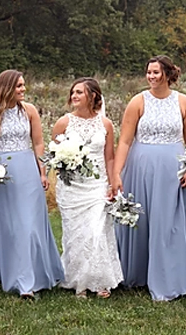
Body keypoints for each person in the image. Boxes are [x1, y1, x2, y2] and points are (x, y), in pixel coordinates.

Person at [112, 55, 186, 301]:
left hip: (173, 169)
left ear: (168, 75)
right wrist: (117, 173)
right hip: (142, 167)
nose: (151, 77)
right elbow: (125, 141)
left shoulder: (184, 102)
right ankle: (136, 273)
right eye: (148, 72)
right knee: (142, 220)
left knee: (168, 222)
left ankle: (170, 278)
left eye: (156, 73)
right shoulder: (138, 101)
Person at [0, 70, 63, 298]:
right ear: (7, 88)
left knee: (30, 226)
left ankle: (34, 278)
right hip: (2, 173)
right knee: (11, 228)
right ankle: (18, 279)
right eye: (19, 86)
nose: (23, 90)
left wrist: (43, 172)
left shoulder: (29, 111)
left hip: (27, 172)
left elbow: (38, 143)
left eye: (23, 86)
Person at [52, 78, 123, 298]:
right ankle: (79, 283)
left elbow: (109, 157)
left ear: (92, 96)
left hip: (97, 184)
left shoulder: (106, 124)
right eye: (73, 92)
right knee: (76, 235)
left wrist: (113, 182)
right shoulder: (63, 123)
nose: (74, 96)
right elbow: (53, 155)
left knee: (97, 230)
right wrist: (65, 162)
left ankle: (100, 281)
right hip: (72, 187)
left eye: (79, 92)